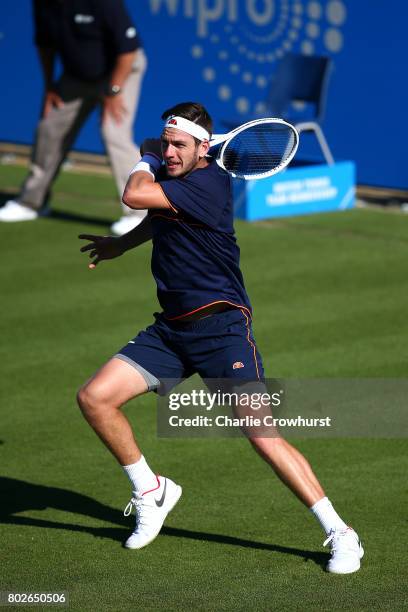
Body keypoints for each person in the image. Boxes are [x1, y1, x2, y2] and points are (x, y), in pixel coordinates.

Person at [77, 101, 364, 574]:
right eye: (164, 142)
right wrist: (120, 246)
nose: (168, 152)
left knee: (261, 433)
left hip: (221, 330)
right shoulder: (181, 180)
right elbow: (159, 218)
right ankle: (151, 491)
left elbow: (134, 195)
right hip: (171, 330)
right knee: (94, 398)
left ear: (203, 148)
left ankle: (341, 533)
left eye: (178, 145)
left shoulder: (208, 183)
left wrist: (146, 157)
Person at [0, 0, 147, 236]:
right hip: (76, 77)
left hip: (119, 72)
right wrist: (49, 86)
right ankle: (31, 202)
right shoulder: (42, 4)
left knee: (113, 134)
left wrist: (114, 91)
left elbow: (128, 50)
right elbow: (45, 45)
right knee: (49, 128)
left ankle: (140, 213)